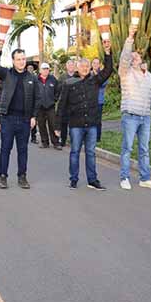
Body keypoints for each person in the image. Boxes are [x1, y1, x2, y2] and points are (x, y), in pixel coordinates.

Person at [55, 40, 112, 191]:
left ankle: (92, 180)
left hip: (92, 124)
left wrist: (107, 53)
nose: (85, 69)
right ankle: (73, 179)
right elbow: (61, 106)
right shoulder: (69, 83)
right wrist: (57, 126)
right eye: (83, 66)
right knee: (74, 152)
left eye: (87, 67)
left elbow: (108, 71)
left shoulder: (95, 81)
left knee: (91, 153)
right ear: (77, 68)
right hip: (75, 125)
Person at [0, 40, 40, 189]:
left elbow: (38, 98)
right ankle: (3, 176)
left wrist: (34, 116)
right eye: (18, 59)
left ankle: (22, 177)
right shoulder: (6, 74)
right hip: (8, 119)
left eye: (23, 59)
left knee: (23, 150)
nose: (21, 62)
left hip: (24, 120)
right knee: (5, 148)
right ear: (13, 61)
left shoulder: (32, 78)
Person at [118, 26, 151, 190]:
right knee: (127, 148)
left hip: (144, 118)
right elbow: (123, 57)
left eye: (137, 57)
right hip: (130, 116)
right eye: (132, 57)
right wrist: (130, 37)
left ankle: (145, 178)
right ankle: (124, 178)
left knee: (144, 149)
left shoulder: (149, 76)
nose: (134, 59)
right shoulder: (126, 72)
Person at [36, 62, 61, 150]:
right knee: (41, 125)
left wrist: (54, 99)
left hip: (50, 106)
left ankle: (56, 143)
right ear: (40, 70)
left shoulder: (53, 79)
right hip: (40, 107)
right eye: (44, 69)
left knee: (53, 125)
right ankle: (44, 142)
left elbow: (58, 90)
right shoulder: (36, 80)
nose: (45, 70)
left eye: (47, 69)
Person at [58, 60, 77, 147]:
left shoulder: (78, 76)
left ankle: (74, 140)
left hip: (75, 104)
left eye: (72, 65)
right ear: (66, 66)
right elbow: (58, 89)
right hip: (65, 104)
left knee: (74, 124)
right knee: (64, 124)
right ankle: (63, 140)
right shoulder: (62, 77)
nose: (71, 67)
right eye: (69, 65)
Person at [91, 57, 109, 142]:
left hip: (99, 100)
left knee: (98, 120)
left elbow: (104, 83)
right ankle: (89, 136)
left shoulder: (102, 74)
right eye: (94, 63)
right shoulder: (88, 74)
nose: (95, 65)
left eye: (97, 63)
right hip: (90, 100)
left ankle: (97, 138)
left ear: (99, 65)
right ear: (92, 64)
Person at [27, 62, 39, 144]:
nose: (30, 69)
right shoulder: (23, 77)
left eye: (31, 68)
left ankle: (33, 137)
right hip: (25, 104)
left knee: (34, 121)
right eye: (29, 68)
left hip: (33, 103)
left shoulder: (35, 78)